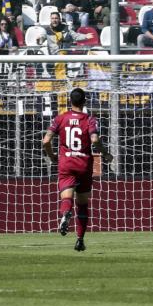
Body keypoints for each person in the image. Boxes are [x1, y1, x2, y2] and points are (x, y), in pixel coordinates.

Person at [43, 88, 113, 251]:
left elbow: (46, 140)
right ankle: (80, 240)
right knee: (82, 204)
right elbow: (94, 140)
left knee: (66, 197)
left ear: (70, 101)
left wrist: (52, 155)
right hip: (84, 164)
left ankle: (66, 213)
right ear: (84, 102)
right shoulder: (90, 119)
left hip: (66, 164)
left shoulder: (59, 119)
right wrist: (105, 153)